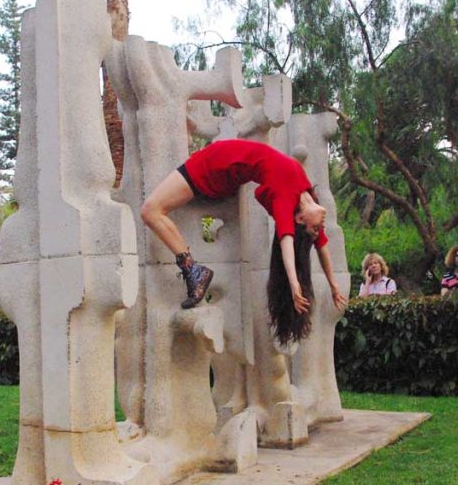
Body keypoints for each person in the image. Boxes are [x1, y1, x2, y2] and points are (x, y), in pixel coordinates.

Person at [140, 139, 347, 345]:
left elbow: (287, 242)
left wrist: (294, 284)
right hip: (221, 163)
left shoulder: (285, 200)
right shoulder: (306, 192)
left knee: (150, 210)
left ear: (300, 219)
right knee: (152, 210)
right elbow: (322, 247)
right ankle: (193, 270)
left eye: (316, 228)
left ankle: (193, 271)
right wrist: (334, 285)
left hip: (212, 167)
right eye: (317, 229)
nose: (321, 227)